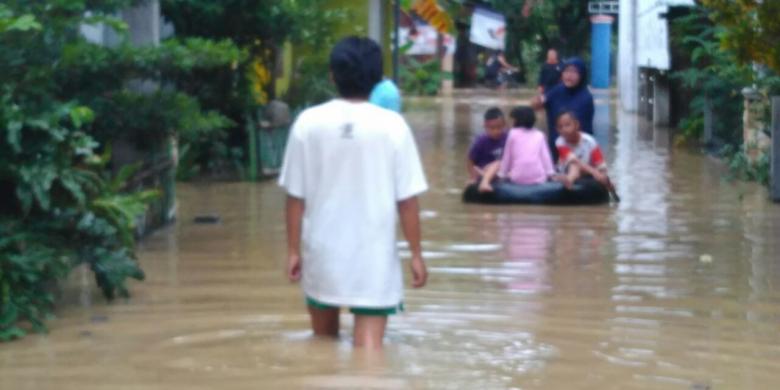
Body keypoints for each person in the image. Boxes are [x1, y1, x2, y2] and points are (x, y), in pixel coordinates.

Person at [279, 36, 428, 350]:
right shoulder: (393, 126)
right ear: (377, 78)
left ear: (332, 75)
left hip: (322, 253)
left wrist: (293, 250)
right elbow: (407, 200)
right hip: (373, 260)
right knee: (370, 350)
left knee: (322, 346)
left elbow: (295, 197)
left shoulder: (308, 122)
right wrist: (416, 254)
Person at [478, 106, 556, 192]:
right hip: (538, 178)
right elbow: (545, 157)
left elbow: (507, 157)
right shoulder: (540, 135)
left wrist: (502, 175)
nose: (511, 123)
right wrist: (550, 174)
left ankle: (484, 176)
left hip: (517, 179)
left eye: (512, 120)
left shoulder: (512, 134)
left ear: (517, 121)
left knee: (503, 168)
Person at [532, 57, 594, 160]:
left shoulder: (586, 98)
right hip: (555, 148)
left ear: (581, 75)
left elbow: (580, 128)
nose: (569, 75)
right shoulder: (556, 90)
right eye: (566, 71)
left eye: (574, 72)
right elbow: (536, 106)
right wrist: (536, 102)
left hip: (579, 150)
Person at [553, 110, 609, 189]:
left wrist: (604, 178)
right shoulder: (560, 142)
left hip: (587, 174)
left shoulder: (590, 141)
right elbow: (574, 161)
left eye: (567, 125)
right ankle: (569, 180)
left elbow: (601, 166)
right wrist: (594, 172)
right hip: (567, 171)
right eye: (560, 127)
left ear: (576, 125)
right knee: (574, 165)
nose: (564, 130)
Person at [467, 107, 508, 184]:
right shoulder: (480, 141)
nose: (496, 131)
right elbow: (470, 160)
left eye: (499, 127)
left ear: (504, 125)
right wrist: (472, 177)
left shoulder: (508, 137)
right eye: (492, 128)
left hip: (501, 172)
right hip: (483, 171)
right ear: (485, 126)